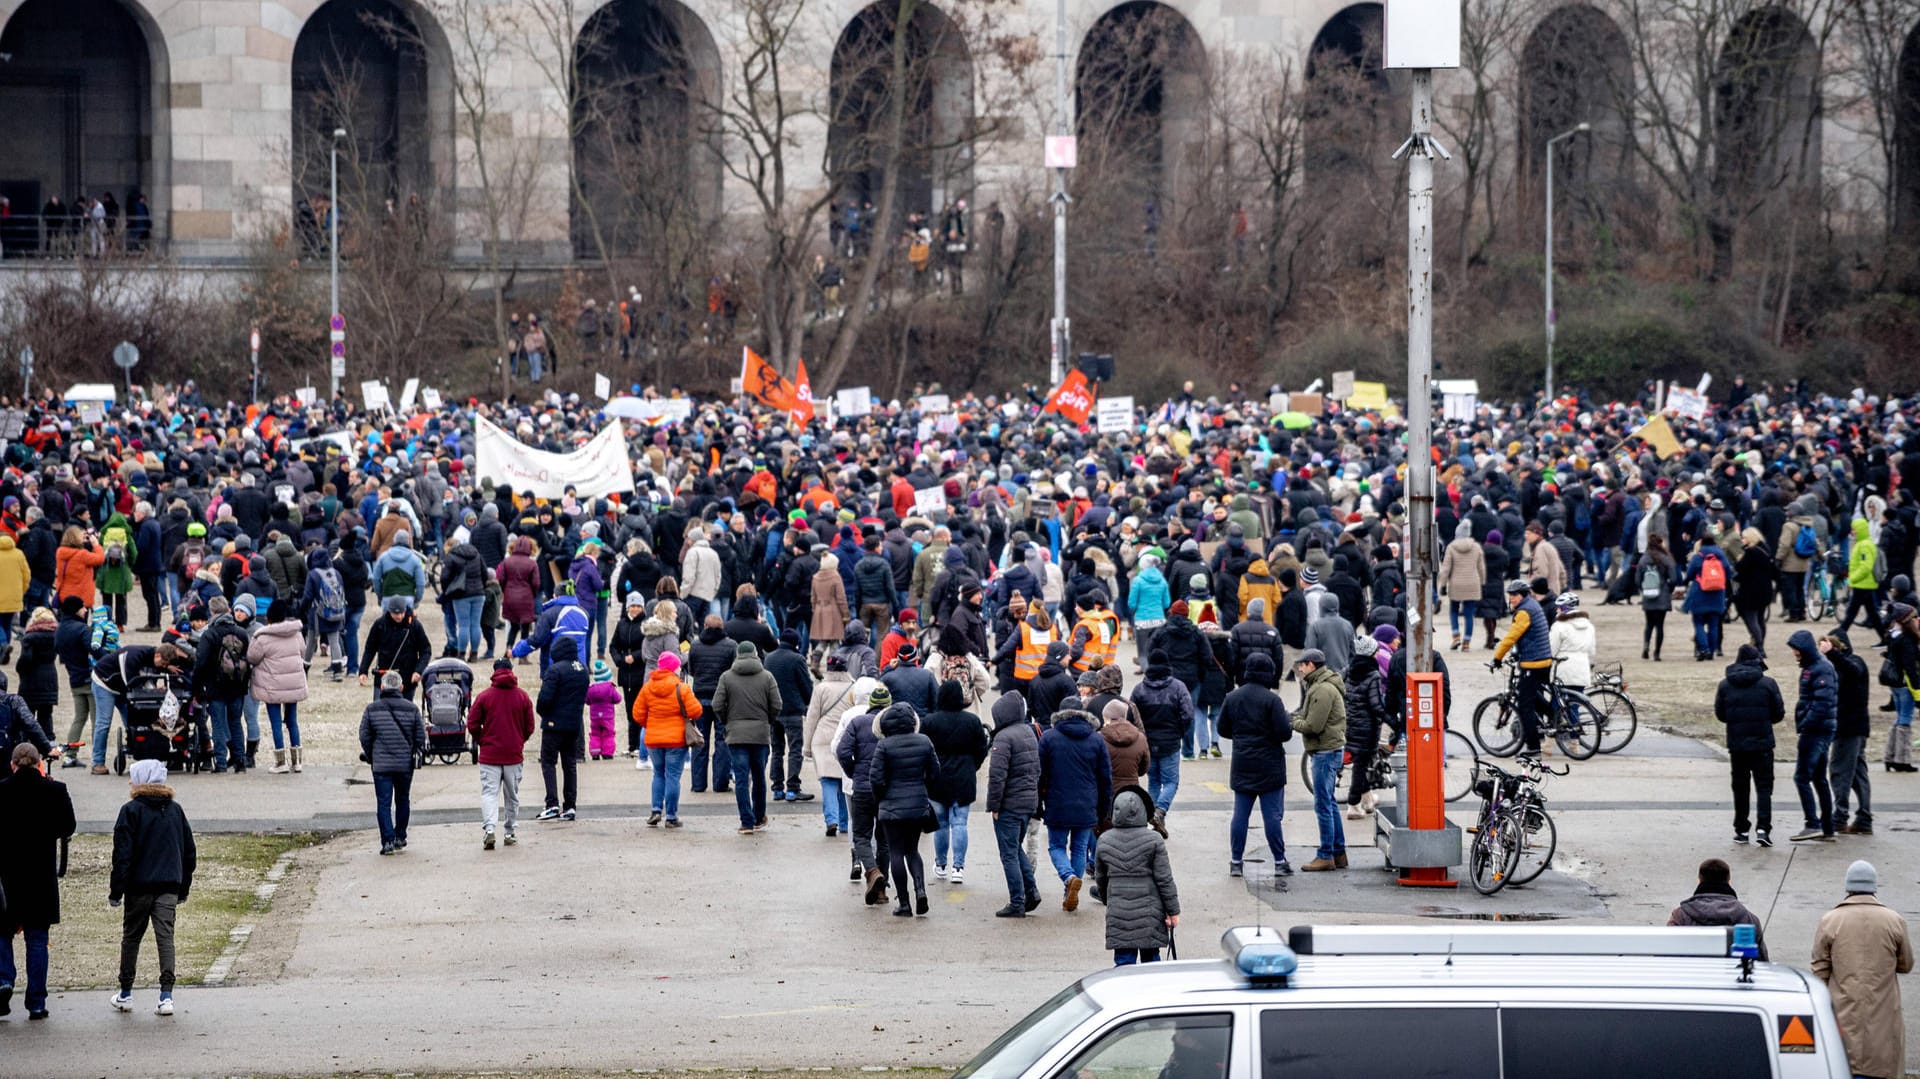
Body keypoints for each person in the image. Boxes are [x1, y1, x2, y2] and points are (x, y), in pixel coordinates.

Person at [108, 758, 195, 1016]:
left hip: (138, 886)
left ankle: (125, 992)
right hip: (169, 884)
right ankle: (166, 995)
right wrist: (183, 887)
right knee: (165, 938)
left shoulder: (131, 810)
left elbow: (122, 855)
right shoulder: (175, 810)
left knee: (131, 937)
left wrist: (116, 891)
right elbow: (189, 851)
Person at [1812, 860, 1912, 1079]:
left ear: (1848, 887)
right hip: (1884, 1015)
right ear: (1874, 887)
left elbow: (1819, 971)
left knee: (1845, 1066)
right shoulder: (1894, 920)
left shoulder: (1830, 920)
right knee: (1880, 1066)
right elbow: (1906, 965)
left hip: (1842, 1014)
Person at [0, 743, 76, 1020]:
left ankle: (4, 978)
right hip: (40, 875)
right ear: (38, 764)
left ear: (13, 764)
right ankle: (36, 1002)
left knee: (2, 933)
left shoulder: (2, 789)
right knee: (37, 940)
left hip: (6, 875)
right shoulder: (55, 790)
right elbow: (68, 826)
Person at [1216, 651, 1291, 879]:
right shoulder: (1272, 700)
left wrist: (1241, 736)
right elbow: (1284, 733)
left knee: (1240, 815)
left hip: (1243, 763)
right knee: (1271, 816)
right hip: (1270, 765)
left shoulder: (1233, 697)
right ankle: (1279, 861)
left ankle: (1236, 862)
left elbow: (1222, 729)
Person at [1093, 786, 1179, 966]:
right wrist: (1173, 911)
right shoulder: (1154, 840)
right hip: (1150, 912)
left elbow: (1100, 878)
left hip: (1118, 911)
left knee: (1124, 965)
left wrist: (1109, 901)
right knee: (1151, 964)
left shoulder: (1104, 840)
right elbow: (1164, 879)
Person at [868, 702, 939, 917]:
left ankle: (905, 903)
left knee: (896, 852)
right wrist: (922, 786)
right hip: (917, 804)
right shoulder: (924, 741)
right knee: (913, 850)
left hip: (891, 807)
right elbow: (935, 772)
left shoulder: (884, 746)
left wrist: (881, 798)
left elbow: (875, 779)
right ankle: (920, 891)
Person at [1039, 706, 1112, 913]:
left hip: (1057, 801)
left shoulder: (1048, 738)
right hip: (1087, 803)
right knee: (1080, 848)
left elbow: (1040, 773)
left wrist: (1038, 802)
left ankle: (1068, 878)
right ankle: (1070, 890)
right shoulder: (1096, 739)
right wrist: (1103, 809)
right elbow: (1105, 778)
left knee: (1056, 846)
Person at [1714, 643, 1783, 846]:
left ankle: (1741, 829)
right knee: (1764, 787)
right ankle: (1763, 829)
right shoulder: (1768, 684)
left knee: (1740, 788)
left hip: (1737, 744)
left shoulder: (1725, 684)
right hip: (1762, 744)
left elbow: (1721, 714)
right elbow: (1778, 713)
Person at [920, 680, 989, 883]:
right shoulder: (972, 721)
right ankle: (958, 867)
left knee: (940, 824)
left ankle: (941, 864)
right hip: (963, 777)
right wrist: (971, 767)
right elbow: (981, 749)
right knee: (960, 823)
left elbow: (923, 749)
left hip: (937, 778)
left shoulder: (930, 721)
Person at [713, 640, 781, 834]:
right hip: (760, 734)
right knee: (759, 777)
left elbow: (717, 705)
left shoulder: (727, 677)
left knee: (742, 779)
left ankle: (746, 821)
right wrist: (767, 720)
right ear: (755, 654)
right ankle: (759, 816)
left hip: (736, 735)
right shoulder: (767, 677)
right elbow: (777, 704)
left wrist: (728, 721)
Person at [985, 691, 1041, 918]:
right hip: (1028, 802)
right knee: (1016, 850)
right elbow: (1037, 769)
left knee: (1008, 854)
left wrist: (994, 806)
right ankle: (1031, 891)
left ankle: (1017, 901)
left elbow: (997, 776)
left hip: (1009, 805)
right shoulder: (1028, 732)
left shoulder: (1003, 738)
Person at [468, 658, 535, 849]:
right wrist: (519, 740)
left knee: (490, 792)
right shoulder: (522, 697)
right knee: (512, 795)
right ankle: (510, 831)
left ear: (494, 672)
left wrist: (482, 740)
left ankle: (489, 829)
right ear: (512, 671)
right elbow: (529, 726)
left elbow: (472, 723)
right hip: (513, 754)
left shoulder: (484, 696)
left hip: (490, 754)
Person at [1291, 648, 1347, 872]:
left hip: (1325, 751)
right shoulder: (1318, 685)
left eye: (1302, 665)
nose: (1299, 669)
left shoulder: (1322, 690)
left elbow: (1313, 726)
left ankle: (1325, 855)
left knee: (1322, 804)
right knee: (1329, 802)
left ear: (1312, 665)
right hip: (1329, 749)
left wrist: (1292, 722)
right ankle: (1338, 852)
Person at [359, 671, 427, 854]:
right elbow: (421, 736)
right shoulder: (411, 709)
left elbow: (364, 736)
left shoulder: (372, 709)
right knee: (403, 799)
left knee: (383, 803)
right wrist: (413, 751)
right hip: (404, 764)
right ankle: (400, 836)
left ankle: (387, 841)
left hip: (381, 764)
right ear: (401, 687)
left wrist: (372, 755)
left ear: (381, 687)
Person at [1786, 629, 1838, 843]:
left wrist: (1806, 723)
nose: (1794, 654)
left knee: (1802, 777)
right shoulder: (1813, 667)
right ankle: (1827, 827)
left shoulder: (1821, 668)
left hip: (1816, 731)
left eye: (1796, 650)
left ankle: (1812, 823)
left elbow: (1822, 703)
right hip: (1820, 729)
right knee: (1818, 778)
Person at [634, 652, 697, 828]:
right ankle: (671, 816)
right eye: (677, 666)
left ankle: (655, 809)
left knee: (658, 774)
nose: (679, 668)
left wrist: (651, 724)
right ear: (672, 668)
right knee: (673, 777)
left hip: (653, 739)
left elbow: (637, 713)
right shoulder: (681, 687)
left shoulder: (648, 687)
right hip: (676, 741)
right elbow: (696, 711)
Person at [1490, 579, 1552, 754]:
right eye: (1509, 595)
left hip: (1533, 662)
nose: (1511, 598)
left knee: (1525, 706)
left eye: (1514, 595)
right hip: (1543, 659)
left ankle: (1533, 746)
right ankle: (1555, 716)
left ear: (1523, 595)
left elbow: (1511, 636)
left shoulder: (1524, 611)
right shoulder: (1533, 604)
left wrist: (1497, 657)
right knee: (1533, 695)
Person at [246, 607, 308, 774]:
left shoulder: (263, 637)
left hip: (271, 686)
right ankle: (297, 762)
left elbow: (252, 657)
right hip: (292, 683)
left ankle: (281, 763)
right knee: (292, 721)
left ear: (268, 618)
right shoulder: (296, 633)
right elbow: (302, 652)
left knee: (276, 723)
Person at [1666, 858, 1767, 959]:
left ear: (1700, 880)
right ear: (1729, 881)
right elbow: (1762, 962)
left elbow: (1666, 956)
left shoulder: (1680, 916)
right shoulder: (1749, 920)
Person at [1822, 632, 1873, 836]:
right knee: (1858, 773)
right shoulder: (1841, 665)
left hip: (1849, 728)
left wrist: (1832, 654)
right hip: (1855, 726)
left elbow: (1852, 671)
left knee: (1839, 771)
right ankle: (1864, 818)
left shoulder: (1853, 663)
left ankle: (1840, 817)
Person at [534, 635, 589, 822]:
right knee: (570, 764)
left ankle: (552, 803)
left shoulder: (555, 670)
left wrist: (544, 714)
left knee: (549, 763)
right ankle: (570, 806)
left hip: (553, 725)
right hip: (574, 725)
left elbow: (544, 700)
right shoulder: (583, 669)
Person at [764, 628, 815, 803]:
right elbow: (807, 687)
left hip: (773, 712)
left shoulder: (769, 658)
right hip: (793, 712)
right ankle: (793, 788)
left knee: (776, 750)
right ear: (795, 643)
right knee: (794, 750)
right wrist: (808, 703)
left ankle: (777, 788)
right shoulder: (797, 659)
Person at [1343, 634, 1389, 819]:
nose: (1379, 653)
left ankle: (1367, 798)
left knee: (1361, 764)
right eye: (1376, 651)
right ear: (1370, 654)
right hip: (1367, 729)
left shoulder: (1348, 670)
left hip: (1350, 725)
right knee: (1360, 767)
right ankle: (1353, 805)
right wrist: (1390, 718)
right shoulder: (1373, 674)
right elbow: (1376, 705)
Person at [1439, 521, 1484, 651]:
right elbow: (1481, 568)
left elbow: (1446, 568)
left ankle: (1456, 636)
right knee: (1469, 614)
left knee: (1453, 610)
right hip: (1472, 583)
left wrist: (1442, 584)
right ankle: (1466, 642)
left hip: (1456, 584)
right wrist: (1482, 583)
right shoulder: (1476, 547)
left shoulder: (1452, 547)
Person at [1886, 602, 1920, 772]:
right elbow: (1911, 668)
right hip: (1906, 685)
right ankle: (1902, 759)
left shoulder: (1893, 636)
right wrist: (1918, 691)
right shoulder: (1907, 640)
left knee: (1899, 718)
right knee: (1905, 721)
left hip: (1895, 684)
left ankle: (1890, 756)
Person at [1637, 534, 1676, 660]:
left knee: (1649, 624)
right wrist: (1669, 590)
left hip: (1648, 594)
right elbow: (1674, 578)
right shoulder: (1666, 558)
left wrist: (1643, 589)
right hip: (1662, 594)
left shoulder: (1643, 559)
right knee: (1660, 625)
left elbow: (1637, 579)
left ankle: (1646, 646)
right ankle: (1657, 653)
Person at [586, 660, 622, 760]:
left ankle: (595, 752)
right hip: (608, 717)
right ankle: (607, 752)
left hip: (595, 717)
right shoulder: (610, 688)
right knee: (608, 734)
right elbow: (618, 699)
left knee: (595, 734)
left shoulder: (591, 689)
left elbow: (587, 701)